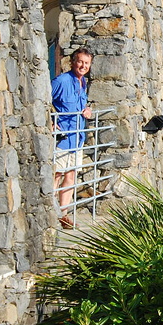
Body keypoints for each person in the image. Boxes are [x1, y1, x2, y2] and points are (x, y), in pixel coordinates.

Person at [51, 47, 93, 229]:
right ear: (73, 62)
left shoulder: (82, 82)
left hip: (77, 138)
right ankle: (50, 212)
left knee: (71, 175)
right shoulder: (61, 81)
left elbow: (82, 105)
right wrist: (50, 122)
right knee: (57, 174)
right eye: (80, 62)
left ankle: (63, 213)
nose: (83, 66)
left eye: (86, 63)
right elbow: (45, 100)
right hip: (63, 137)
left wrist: (88, 110)